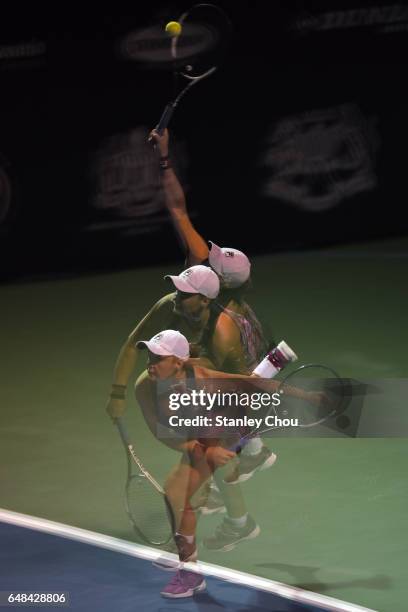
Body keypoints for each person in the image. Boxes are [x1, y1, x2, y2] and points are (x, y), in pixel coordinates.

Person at [132, 329, 313, 598]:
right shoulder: (145, 386)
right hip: (198, 429)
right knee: (179, 494)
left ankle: (190, 572)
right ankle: (189, 560)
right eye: (150, 355)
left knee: (177, 492)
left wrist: (312, 398)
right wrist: (200, 450)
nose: (150, 363)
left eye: (158, 358)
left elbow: (253, 386)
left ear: (178, 363)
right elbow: (161, 431)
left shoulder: (204, 379)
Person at [149, 127, 278, 489]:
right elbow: (177, 207)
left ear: (217, 283)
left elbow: (239, 388)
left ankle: (245, 453)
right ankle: (247, 453)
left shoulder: (222, 327)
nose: (204, 258)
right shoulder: (230, 301)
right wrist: (163, 159)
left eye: (212, 262)